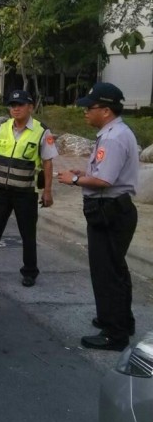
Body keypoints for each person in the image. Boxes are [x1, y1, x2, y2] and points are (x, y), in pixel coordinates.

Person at [58, 82, 139, 351]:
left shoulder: (114, 137)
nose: (85, 112)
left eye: (89, 108)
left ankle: (113, 334)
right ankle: (119, 320)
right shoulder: (113, 133)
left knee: (107, 273)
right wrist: (81, 174)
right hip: (112, 208)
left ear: (105, 110)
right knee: (115, 269)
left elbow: (104, 180)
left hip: (110, 210)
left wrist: (73, 180)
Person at [0, 89, 58, 286]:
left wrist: (47, 191)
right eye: (12, 106)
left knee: (27, 234)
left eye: (20, 105)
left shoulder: (42, 131)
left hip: (25, 192)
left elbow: (48, 162)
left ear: (30, 107)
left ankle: (30, 272)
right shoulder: (2, 127)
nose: (15, 109)